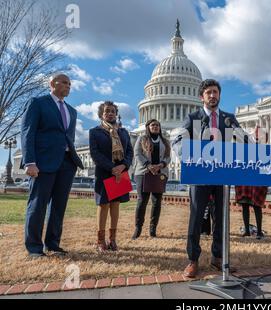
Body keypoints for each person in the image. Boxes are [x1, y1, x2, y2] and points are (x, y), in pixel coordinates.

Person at [174, 79, 240, 278]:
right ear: (201, 96)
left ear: (219, 95)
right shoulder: (193, 118)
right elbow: (178, 142)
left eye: (216, 92)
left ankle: (218, 257)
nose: (213, 95)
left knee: (221, 218)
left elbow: (242, 141)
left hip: (222, 176)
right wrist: (188, 155)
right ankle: (193, 260)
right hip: (200, 176)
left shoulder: (229, 119)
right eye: (209, 92)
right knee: (196, 218)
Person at [21, 73, 84, 258]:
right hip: (43, 162)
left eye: (70, 84)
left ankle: (53, 244)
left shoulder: (72, 111)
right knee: (37, 205)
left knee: (58, 206)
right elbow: (27, 132)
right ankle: (34, 248)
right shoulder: (38, 103)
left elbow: (68, 137)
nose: (68, 86)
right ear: (51, 83)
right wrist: (30, 161)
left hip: (66, 163)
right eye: (64, 82)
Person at [89, 101, 133, 252]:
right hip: (104, 173)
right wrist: (112, 167)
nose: (110, 113)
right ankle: (100, 241)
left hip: (120, 174)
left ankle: (112, 239)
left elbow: (129, 152)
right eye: (107, 111)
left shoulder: (123, 132)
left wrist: (123, 166)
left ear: (116, 113)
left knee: (115, 205)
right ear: (102, 114)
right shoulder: (95, 132)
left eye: (113, 111)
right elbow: (95, 154)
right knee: (103, 205)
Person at [132, 119, 171, 239]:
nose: (155, 127)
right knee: (142, 201)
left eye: (157, 125)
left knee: (156, 202)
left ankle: (153, 228)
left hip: (159, 173)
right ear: (148, 127)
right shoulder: (141, 138)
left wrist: (161, 165)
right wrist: (148, 165)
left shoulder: (165, 141)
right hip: (143, 173)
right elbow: (137, 154)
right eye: (153, 125)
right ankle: (138, 228)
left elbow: (168, 157)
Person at [235, 126, 268, 240]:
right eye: (255, 135)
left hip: (257, 180)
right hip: (244, 180)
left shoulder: (264, 149)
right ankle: (247, 230)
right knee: (245, 205)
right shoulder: (243, 148)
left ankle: (259, 231)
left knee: (257, 205)